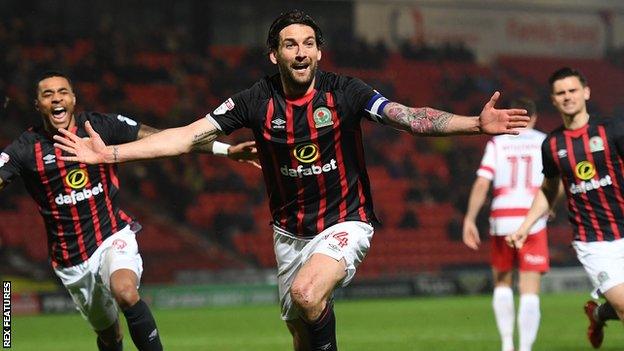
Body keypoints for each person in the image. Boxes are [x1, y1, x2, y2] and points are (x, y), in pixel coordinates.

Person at [53, 10, 529, 351]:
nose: (300, 52)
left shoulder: (345, 91)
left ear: (319, 51)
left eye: (307, 43)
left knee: (307, 294)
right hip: (289, 234)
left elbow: (407, 117)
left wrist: (472, 124)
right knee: (301, 329)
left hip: (347, 220)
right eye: (289, 44)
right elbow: (183, 137)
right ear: (274, 54)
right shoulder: (253, 101)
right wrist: (109, 152)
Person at [0, 70, 258, 351]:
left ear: (73, 99)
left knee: (125, 292)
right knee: (110, 337)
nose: (56, 98)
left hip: (111, 236)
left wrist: (226, 151)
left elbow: (164, 138)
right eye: (47, 94)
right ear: (38, 105)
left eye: (62, 92)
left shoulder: (99, 126)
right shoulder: (24, 149)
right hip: (70, 261)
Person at [508, 67, 624, 349]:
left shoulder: (612, 131)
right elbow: (548, 190)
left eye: (572, 90)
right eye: (561, 93)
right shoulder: (552, 145)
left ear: (586, 92)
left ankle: (597, 313)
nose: (568, 97)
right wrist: (525, 226)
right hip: (594, 242)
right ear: (553, 100)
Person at [463, 98, 547, 351]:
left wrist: (469, 217)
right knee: (530, 289)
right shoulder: (544, 141)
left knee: (502, 283)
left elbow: (482, 183)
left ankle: (507, 344)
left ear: (510, 116)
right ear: (534, 117)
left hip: (502, 218)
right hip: (533, 218)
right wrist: (550, 206)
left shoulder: (498, 143)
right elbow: (556, 182)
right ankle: (526, 348)